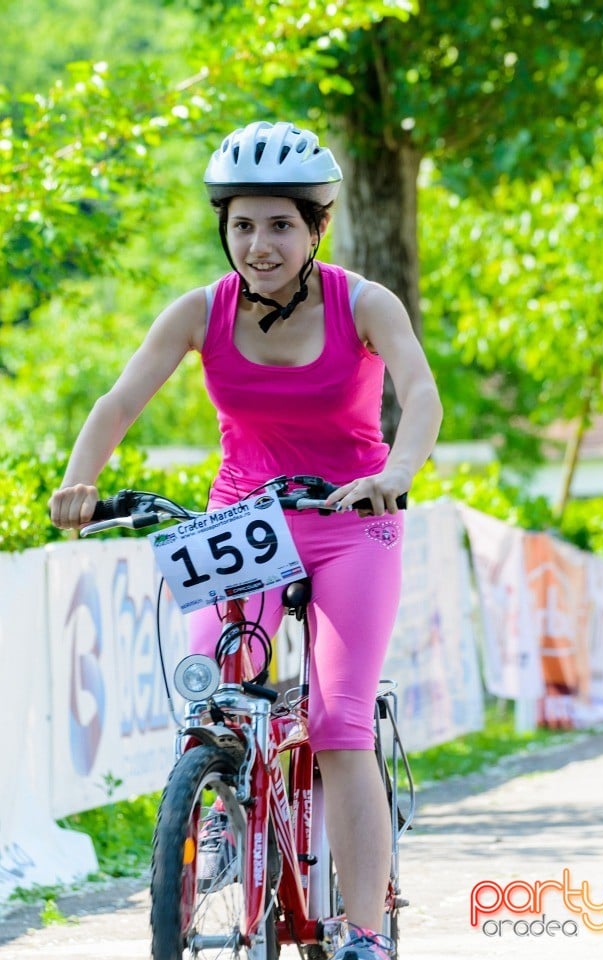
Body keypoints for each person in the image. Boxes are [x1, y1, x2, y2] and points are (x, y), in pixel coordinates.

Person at [49, 120, 443, 960]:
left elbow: (421, 393)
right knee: (217, 696)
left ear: (316, 228)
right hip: (246, 523)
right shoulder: (200, 311)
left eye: (279, 225)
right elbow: (120, 401)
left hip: (351, 519)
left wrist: (394, 472)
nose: (259, 244)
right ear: (224, 228)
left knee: (337, 720)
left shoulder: (365, 304)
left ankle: (364, 931)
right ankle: (223, 804)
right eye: (242, 225)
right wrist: (81, 482)